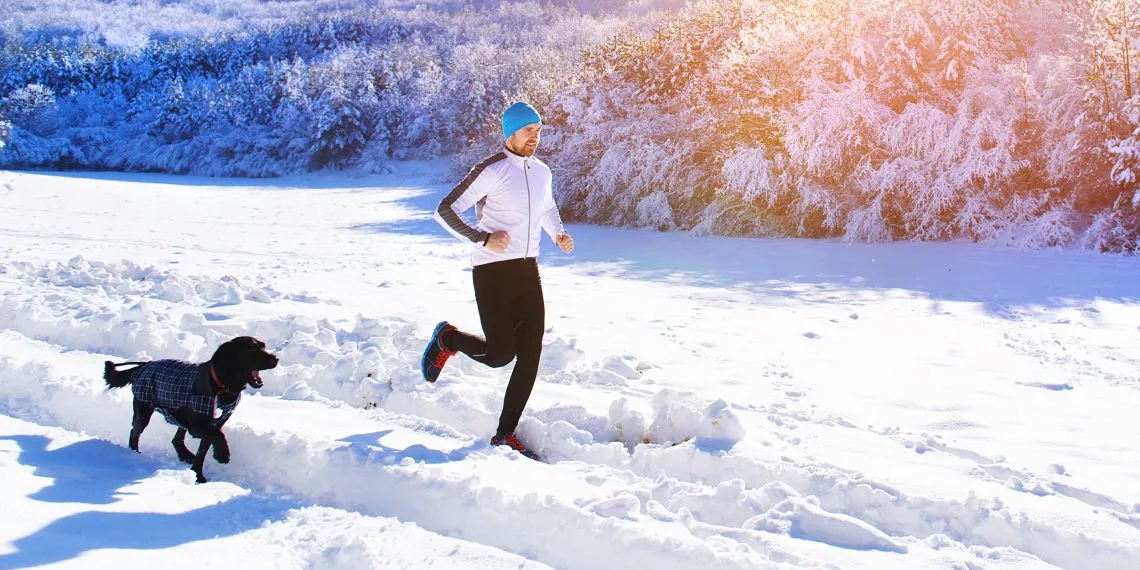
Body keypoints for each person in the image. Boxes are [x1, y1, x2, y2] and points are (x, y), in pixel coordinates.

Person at [421, 101, 574, 459]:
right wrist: (482, 238)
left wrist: (558, 232)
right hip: (492, 271)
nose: (535, 137)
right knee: (500, 354)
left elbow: (546, 207)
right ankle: (448, 338)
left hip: (528, 270)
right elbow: (445, 210)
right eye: (528, 130)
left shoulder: (542, 172)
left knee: (531, 354)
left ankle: (505, 434)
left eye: (538, 130)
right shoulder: (491, 169)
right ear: (510, 132)